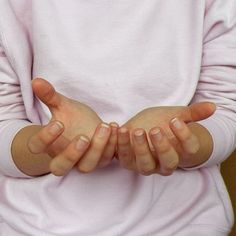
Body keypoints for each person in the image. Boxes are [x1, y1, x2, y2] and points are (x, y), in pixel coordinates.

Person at [0, 0, 235, 235]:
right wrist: (52, 145)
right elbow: (5, 122)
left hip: (182, 222)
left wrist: (180, 143)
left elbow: (223, 112)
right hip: (29, 223)